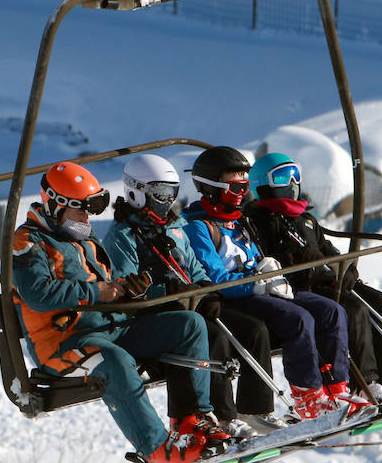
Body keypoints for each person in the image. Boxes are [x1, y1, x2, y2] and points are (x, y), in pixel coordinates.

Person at [10, 160, 231, 463]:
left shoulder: (85, 238)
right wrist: (99, 292)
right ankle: (156, 449)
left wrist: (134, 291)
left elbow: (111, 285)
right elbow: (39, 294)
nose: (87, 218)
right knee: (114, 360)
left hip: (110, 327)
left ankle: (193, 422)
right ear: (57, 205)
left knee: (189, 325)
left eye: (90, 210)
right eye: (82, 210)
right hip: (64, 343)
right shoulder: (27, 242)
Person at [102, 153, 284, 438]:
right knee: (214, 338)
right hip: (157, 315)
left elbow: (195, 269)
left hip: (190, 306)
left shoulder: (174, 228)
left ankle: (257, 409)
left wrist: (205, 292)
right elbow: (127, 287)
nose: (165, 200)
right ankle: (223, 416)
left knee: (252, 328)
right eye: (159, 193)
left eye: (171, 193)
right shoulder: (123, 235)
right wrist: (166, 291)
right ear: (137, 191)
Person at [181, 146, 366, 420]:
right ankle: (308, 396)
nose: (243, 194)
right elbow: (215, 277)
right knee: (298, 319)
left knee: (330, 311)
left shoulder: (239, 221)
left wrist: (271, 270)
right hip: (238, 297)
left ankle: (336, 388)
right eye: (235, 188)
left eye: (245, 187)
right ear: (211, 188)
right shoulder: (199, 227)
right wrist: (256, 282)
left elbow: (257, 256)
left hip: (264, 288)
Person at [244, 152, 382, 403]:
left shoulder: (305, 220)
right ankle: (365, 382)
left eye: (296, 175)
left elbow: (329, 251)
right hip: (305, 287)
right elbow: (270, 263)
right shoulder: (260, 222)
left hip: (329, 281)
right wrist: (312, 268)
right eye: (284, 177)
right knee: (355, 311)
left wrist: (346, 270)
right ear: (262, 183)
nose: (293, 183)